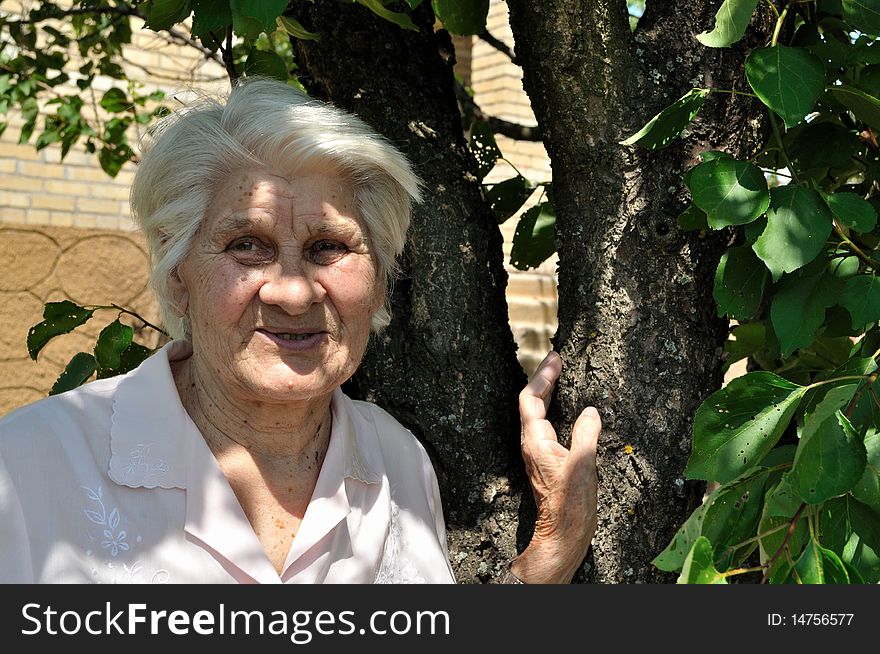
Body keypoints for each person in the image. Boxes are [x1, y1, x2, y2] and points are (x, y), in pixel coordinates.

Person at [0, 78, 600, 584]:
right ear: (177, 273)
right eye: (247, 246)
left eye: (329, 247)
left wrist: (548, 556)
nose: (293, 291)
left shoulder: (398, 460)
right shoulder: (31, 467)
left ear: (381, 279)